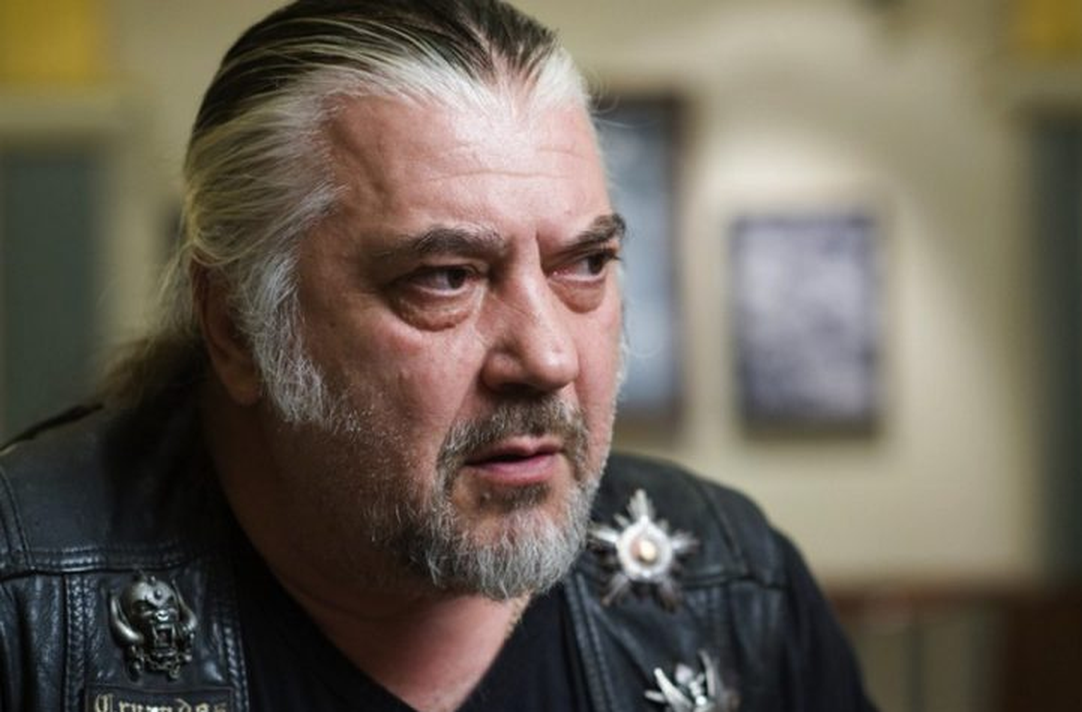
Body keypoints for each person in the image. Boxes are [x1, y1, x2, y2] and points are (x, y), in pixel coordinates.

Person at [0, 1, 876, 710]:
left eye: (584, 265)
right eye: (446, 278)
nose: (547, 358)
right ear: (237, 325)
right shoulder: (24, 601)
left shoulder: (729, 588)